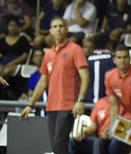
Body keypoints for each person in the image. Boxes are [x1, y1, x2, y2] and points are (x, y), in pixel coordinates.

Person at [20, 17, 90, 154]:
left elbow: (86, 76)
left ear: (66, 29)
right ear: (50, 31)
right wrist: (30, 105)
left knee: (59, 144)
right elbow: (42, 81)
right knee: (56, 146)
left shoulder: (75, 50)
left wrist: (80, 100)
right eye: (55, 26)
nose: (58, 29)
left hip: (68, 105)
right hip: (51, 106)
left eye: (61, 26)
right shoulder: (48, 54)